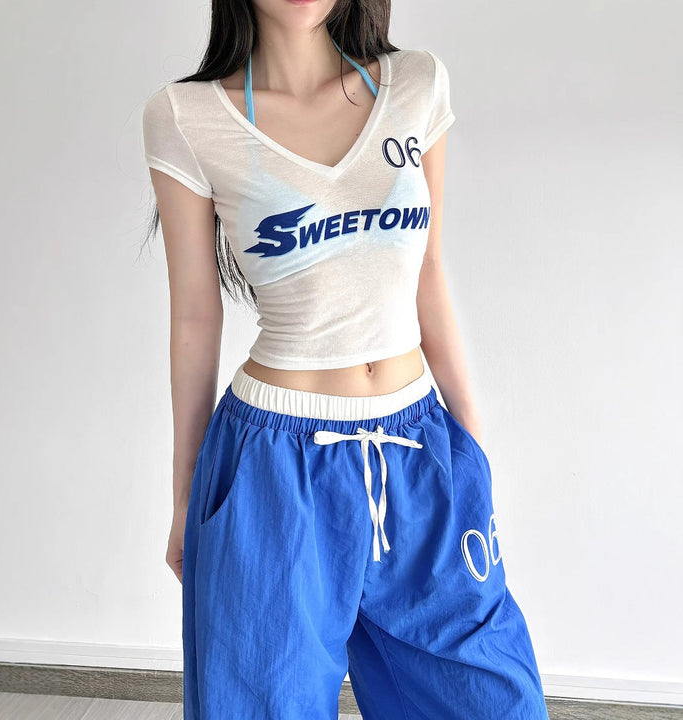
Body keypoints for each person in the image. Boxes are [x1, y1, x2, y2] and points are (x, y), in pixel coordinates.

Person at [141, 0, 550, 717]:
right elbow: (196, 318)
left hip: (418, 450)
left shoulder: (416, 84)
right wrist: (185, 499)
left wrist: (472, 455)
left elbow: (429, 276)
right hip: (272, 469)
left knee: (493, 698)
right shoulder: (187, 116)